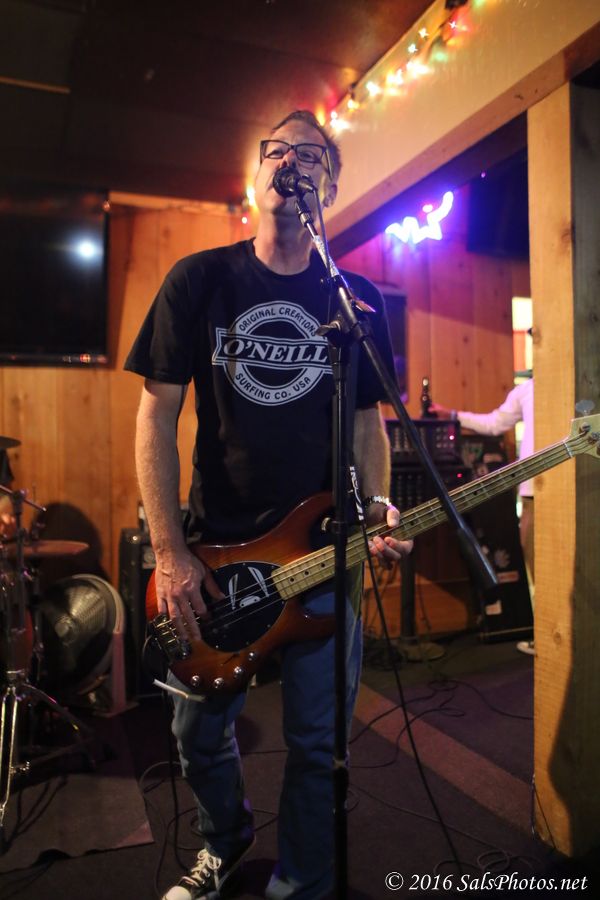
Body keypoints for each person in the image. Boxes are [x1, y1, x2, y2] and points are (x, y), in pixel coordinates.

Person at [125, 109, 412, 900]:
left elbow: (368, 423)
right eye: (277, 150)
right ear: (255, 175)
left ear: (330, 188)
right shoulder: (199, 280)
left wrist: (378, 504)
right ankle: (226, 841)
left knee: (319, 745)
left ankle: (303, 883)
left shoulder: (354, 300)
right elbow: (155, 417)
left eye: (311, 155)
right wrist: (170, 553)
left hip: (321, 554)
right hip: (216, 555)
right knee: (198, 734)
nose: (291, 162)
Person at [432, 377, 535, 655]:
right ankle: (547, 635)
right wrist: (452, 415)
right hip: (533, 492)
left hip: (570, 486)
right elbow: (495, 424)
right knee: (535, 563)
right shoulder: (527, 389)